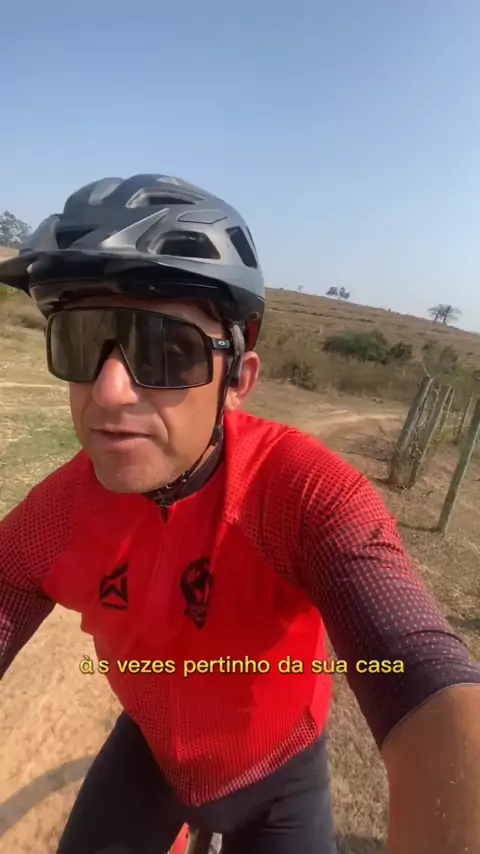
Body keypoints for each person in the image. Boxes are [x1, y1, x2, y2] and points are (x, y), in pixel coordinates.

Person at [0, 173, 479, 854]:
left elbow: (420, 667)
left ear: (238, 380)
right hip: (152, 755)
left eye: (164, 350)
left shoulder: (302, 493)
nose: (108, 391)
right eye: (81, 342)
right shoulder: (58, 511)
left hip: (281, 776)